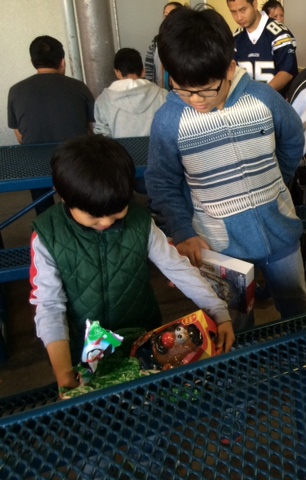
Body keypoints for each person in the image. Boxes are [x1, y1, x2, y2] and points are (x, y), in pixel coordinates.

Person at [29, 135, 235, 390]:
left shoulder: (139, 222)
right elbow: (49, 305)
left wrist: (218, 310)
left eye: (117, 212)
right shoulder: (48, 235)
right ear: (65, 198)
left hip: (142, 341)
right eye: (93, 217)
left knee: (145, 401)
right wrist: (63, 372)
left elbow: (177, 267)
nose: (105, 223)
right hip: (83, 353)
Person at [145, 7, 306, 322]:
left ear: (230, 68)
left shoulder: (262, 98)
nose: (196, 99)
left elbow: (292, 136)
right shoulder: (169, 120)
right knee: (235, 321)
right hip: (219, 246)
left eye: (207, 88)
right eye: (183, 88)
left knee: (296, 309)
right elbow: (162, 183)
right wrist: (182, 231)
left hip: (281, 233)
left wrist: (279, 182)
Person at [7, 35, 95, 214]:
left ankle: (45, 221)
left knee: (42, 206)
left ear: (33, 61)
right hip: (75, 164)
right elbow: (92, 128)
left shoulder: (15, 91)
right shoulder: (79, 87)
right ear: (62, 62)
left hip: (36, 167)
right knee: (79, 204)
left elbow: (20, 137)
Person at [227, 0, 298, 94]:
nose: (239, 17)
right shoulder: (236, 38)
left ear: (254, 4)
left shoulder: (279, 34)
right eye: (234, 12)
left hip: (277, 102)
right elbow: (231, 73)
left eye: (243, 10)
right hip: (247, 103)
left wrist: (260, 95)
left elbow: (287, 72)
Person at [94, 48, 168, 138]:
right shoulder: (163, 95)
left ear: (117, 73)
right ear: (143, 72)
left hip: (119, 152)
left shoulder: (103, 101)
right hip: (155, 151)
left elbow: (102, 137)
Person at [144, 1, 184, 89]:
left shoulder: (186, 41)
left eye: (172, 15)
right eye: (166, 15)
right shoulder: (155, 42)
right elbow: (149, 68)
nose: (168, 19)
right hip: (159, 93)